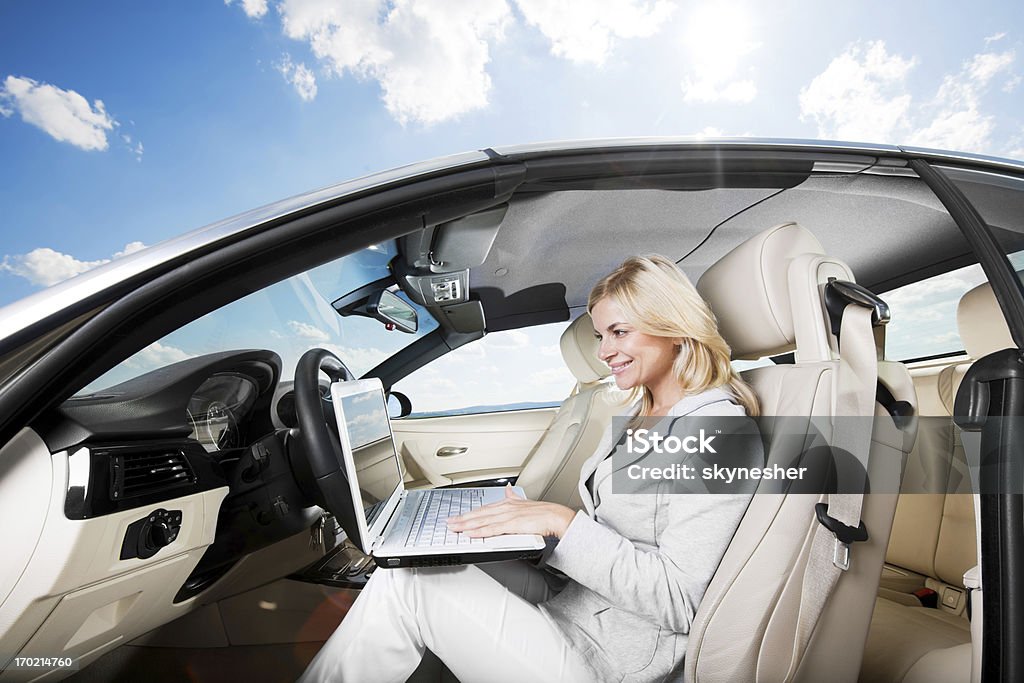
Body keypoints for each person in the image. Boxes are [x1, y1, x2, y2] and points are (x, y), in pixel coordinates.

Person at [299, 254, 760, 683]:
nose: (604, 352)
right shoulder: (641, 412)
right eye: (601, 336)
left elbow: (681, 602)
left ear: (675, 328)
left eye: (620, 332)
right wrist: (525, 527)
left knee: (408, 592)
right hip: (575, 606)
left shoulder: (719, 433)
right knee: (409, 568)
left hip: (610, 659)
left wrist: (562, 522)